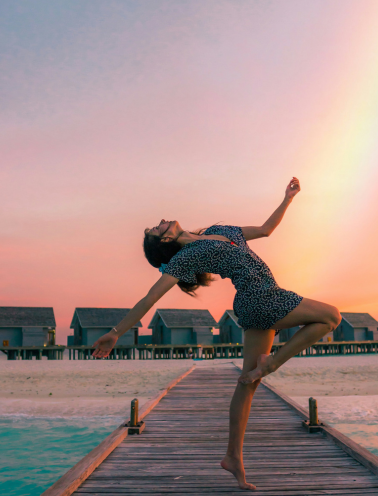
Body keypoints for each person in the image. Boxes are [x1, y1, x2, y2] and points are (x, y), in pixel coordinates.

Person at [92, 177, 341, 490]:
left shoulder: (221, 231)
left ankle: (233, 457)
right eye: (158, 228)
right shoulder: (188, 256)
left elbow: (265, 230)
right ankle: (272, 363)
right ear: (166, 241)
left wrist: (287, 198)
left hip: (255, 304)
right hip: (262, 298)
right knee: (331, 316)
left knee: (248, 382)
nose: (162, 221)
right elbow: (150, 298)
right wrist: (116, 332)